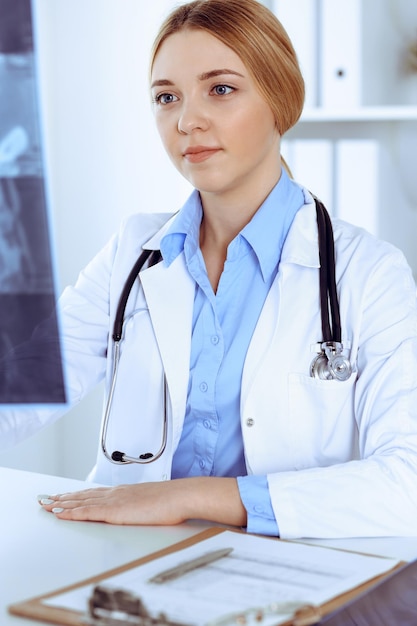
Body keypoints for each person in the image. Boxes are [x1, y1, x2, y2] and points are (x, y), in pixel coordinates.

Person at [2, 0, 417, 539]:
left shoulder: (369, 274)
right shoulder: (135, 250)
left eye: (220, 89)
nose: (186, 120)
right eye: (166, 97)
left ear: (280, 98)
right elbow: (26, 386)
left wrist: (186, 498)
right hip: (129, 553)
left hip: (285, 570)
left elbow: (406, 484)